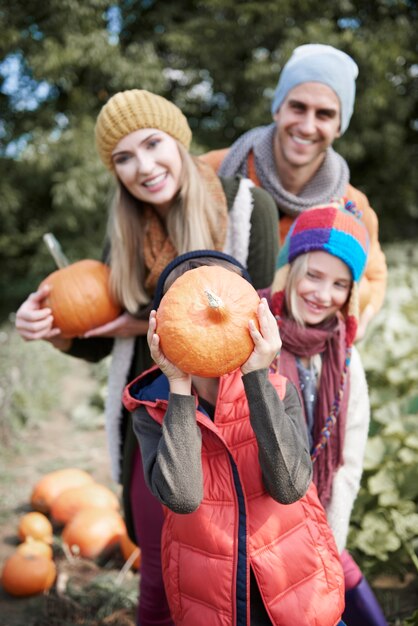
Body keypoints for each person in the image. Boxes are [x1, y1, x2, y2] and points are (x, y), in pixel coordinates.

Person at [14, 90, 279, 626]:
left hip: (229, 403)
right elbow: (107, 337)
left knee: (237, 559)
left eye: (152, 144)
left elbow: (256, 313)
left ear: (177, 139)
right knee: (158, 561)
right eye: (123, 158)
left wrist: (147, 321)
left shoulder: (247, 206)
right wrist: (51, 331)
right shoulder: (126, 234)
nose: (143, 166)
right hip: (155, 402)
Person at [123, 249, 346, 626]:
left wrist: (256, 377)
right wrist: (179, 386)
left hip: (299, 594)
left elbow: (290, 485)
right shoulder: (153, 411)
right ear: (162, 325)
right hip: (212, 605)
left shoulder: (276, 389)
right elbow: (182, 496)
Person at [200, 43, 387, 340]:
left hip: (295, 358)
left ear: (339, 126)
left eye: (324, 114)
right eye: (298, 107)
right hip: (210, 338)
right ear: (278, 108)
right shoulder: (214, 170)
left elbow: (373, 277)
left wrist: (357, 311)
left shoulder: (351, 204)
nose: (307, 125)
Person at [266, 200, 387, 626]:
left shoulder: (345, 356)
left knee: (347, 592)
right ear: (291, 269)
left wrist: (329, 541)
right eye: (313, 275)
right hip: (263, 522)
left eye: (340, 284)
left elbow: (348, 463)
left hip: (317, 519)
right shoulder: (257, 335)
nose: (323, 294)